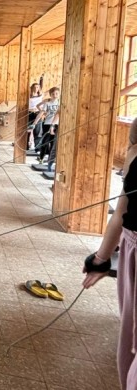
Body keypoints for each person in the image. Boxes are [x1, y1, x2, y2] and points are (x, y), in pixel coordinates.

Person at [83, 143, 137, 390]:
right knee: (130, 339)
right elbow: (120, 213)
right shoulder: (135, 151)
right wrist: (101, 259)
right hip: (132, 247)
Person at [33, 87, 60, 163]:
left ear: (59, 94)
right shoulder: (47, 103)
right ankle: (41, 158)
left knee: (53, 143)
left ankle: (50, 159)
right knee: (45, 142)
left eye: (56, 93)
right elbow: (41, 113)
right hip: (47, 124)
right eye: (53, 94)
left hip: (57, 124)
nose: (55, 95)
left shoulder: (60, 103)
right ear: (50, 95)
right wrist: (34, 123)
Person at [28, 77, 44, 150]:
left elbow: (41, 86)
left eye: (37, 87)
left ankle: (37, 148)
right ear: (32, 88)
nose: (36, 89)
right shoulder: (29, 96)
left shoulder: (40, 95)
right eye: (34, 87)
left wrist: (41, 79)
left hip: (38, 113)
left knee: (37, 131)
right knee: (28, 130)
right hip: (29, 113)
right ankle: (26, 146)